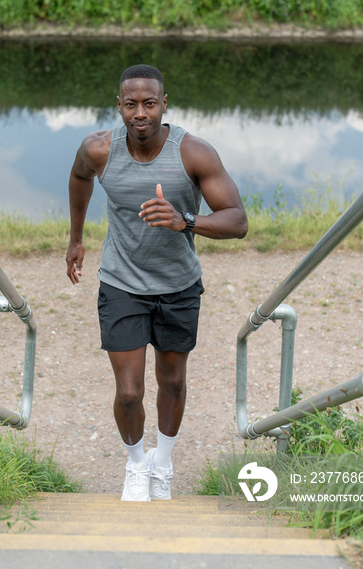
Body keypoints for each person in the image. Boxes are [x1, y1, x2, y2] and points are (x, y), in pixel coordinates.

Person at [66, 64, 247, 502]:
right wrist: (75, 239)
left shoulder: (193, 153)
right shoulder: (98, 149)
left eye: (149, 103)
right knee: (128, 392)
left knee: (173, 382)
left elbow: (237, 221)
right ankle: (135, 465)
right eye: (131, 104)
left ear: (164, 105)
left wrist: (185, 220)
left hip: (178, 285)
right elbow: (78, 178)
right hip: (121, 282)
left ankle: (162, 464)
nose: (140, 113)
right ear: (119, 106)